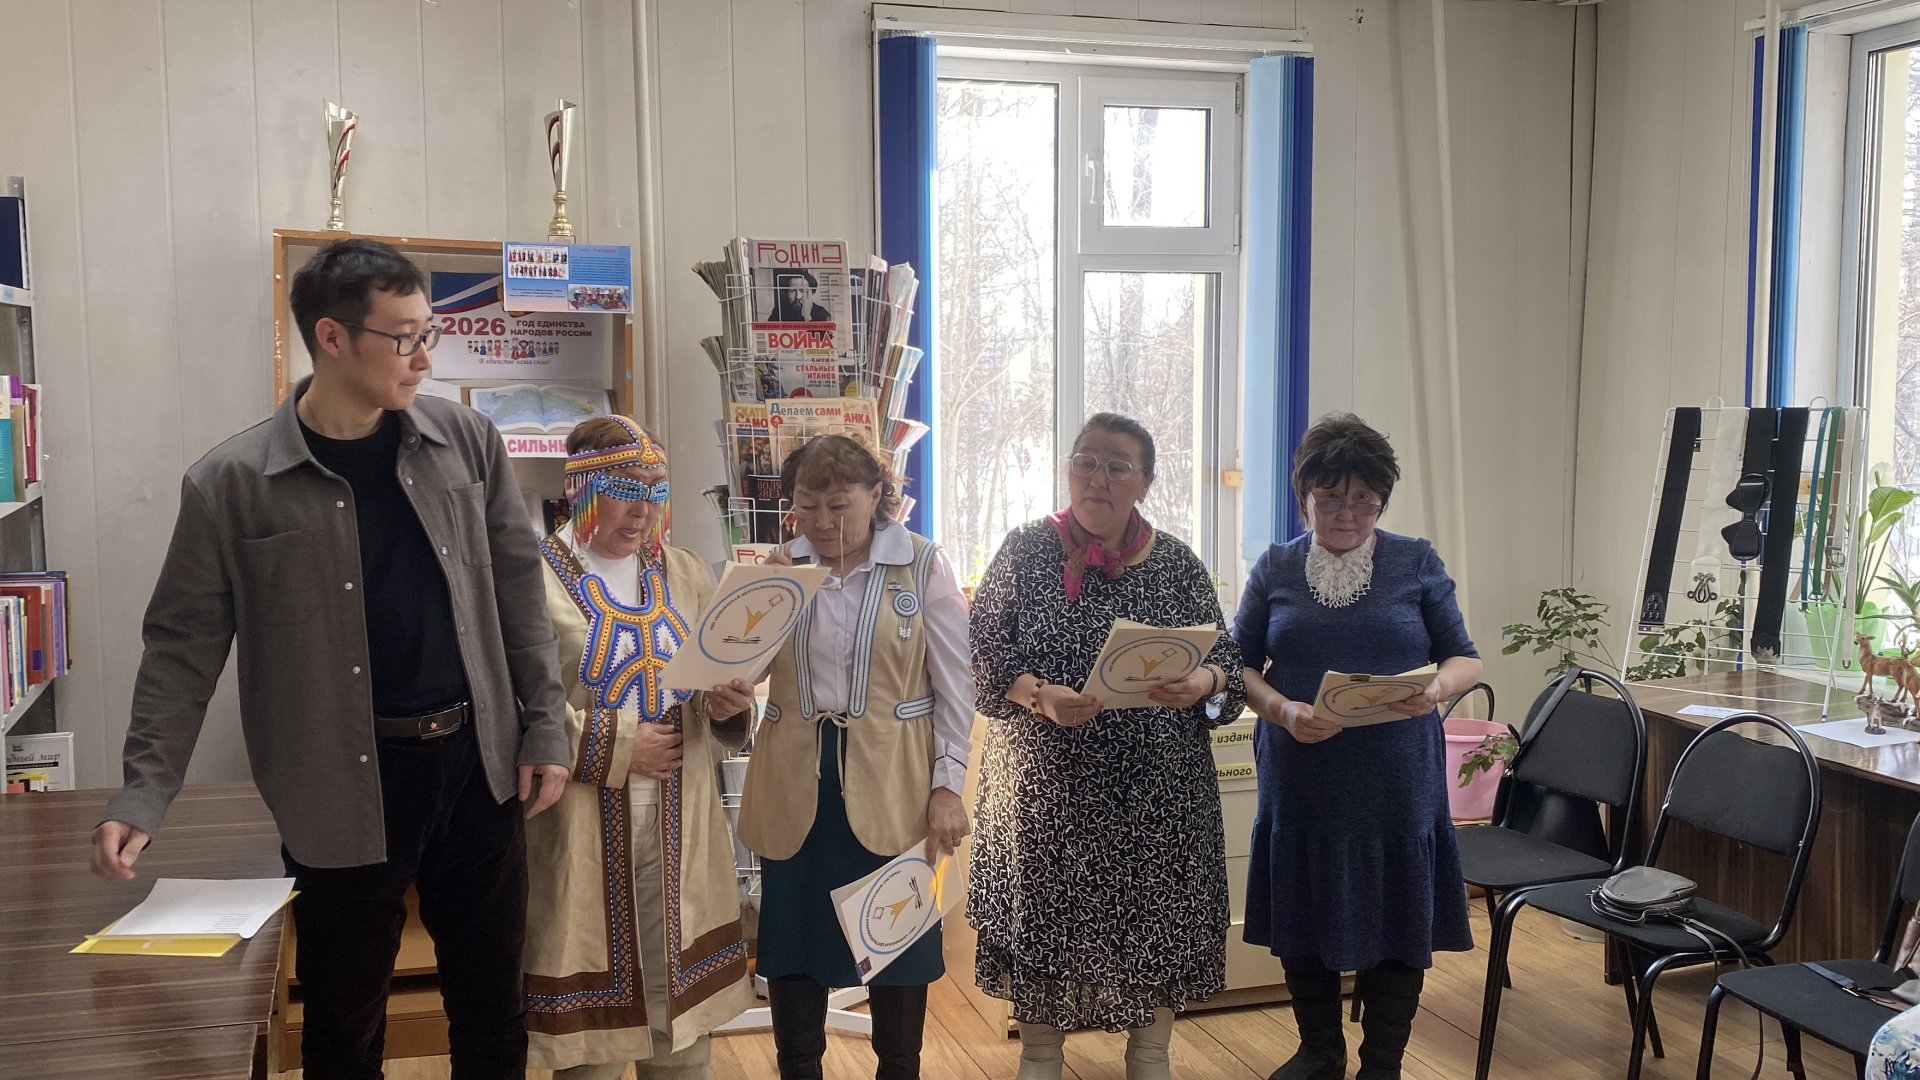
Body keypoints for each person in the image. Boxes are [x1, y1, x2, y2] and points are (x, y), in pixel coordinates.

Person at [93, 238, 572, 1080]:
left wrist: (545, 727)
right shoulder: (231, 484)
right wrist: (145, 789)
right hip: (338, 782)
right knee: (343, 1029)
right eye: (404, 337)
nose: (425, 358)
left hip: (477, 766)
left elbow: (517, 594)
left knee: (494, 1015)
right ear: (332, 337)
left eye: (429, 333)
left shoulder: (466, 441)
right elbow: (181, 649)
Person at [968, 413, 1246, 1080]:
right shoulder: (1023, 550)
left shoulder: (1178, 563)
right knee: (1045, 917)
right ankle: (1040, 1054)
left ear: (1144, 482)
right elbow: (981, 656)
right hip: (1046, 790)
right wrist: (1040, 695)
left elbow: (1230, 665)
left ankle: (1150, 1054)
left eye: (1117, 466)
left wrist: (1202, 681)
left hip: (1159, 792)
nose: (1097, 477)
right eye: (1085, 461)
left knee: (1155, 918)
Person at [1234, 414, 1483, 1080]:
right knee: (1305, 904)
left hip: (1396, 775)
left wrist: (1434, 689)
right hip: (1302, 769)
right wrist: (1282, 709)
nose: (1346, 514)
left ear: (1382, 502)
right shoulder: (1276, 566)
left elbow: (1465, 658)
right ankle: (1320, 1049)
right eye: (1330, 499)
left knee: (1397, 910)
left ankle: (1383, 1063)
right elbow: (1238, 666)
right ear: (1304, 497)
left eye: (1364, 501)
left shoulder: (1416, 561)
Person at [523, 417, 757, 1079]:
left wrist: (726, 706)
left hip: (683, 820)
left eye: (655, 490)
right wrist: (619, 747)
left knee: (679, 1021)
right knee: (593, 1036)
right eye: (625, 490)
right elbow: (514, 703)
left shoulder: (683, 572)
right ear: (580, 490)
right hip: (580, 822)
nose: (642, 510)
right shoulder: (530, 580)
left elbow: (710, 680)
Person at [737, 434, 974, 1080]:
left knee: (896, 948)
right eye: (807, 506)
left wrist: (948, 787)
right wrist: (757, 609)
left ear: (877, 496)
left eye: (839, 505)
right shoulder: (783, 567)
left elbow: (955, 687)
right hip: (797, 785)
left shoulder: (921, 565)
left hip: (895, 786)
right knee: (793, 948)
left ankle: (899, 1068)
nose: (823, 522)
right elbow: (739, 670)